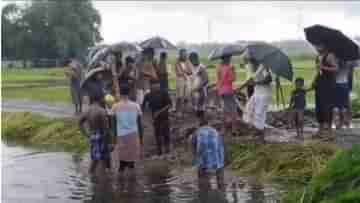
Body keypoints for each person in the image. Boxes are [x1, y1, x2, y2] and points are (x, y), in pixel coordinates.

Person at [111, 83, 143, 177]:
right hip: (134, 135)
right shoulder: (136, 106)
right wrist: (141, 139)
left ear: (120, 94)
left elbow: (113, 126)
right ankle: (132, 185)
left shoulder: (115, 106)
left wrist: (113, 140)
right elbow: (139, 124)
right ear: (129, 93)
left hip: (121, 136)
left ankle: (120, 185)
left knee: (121, 164)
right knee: (132, 163)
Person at [242, 56, 273, 143]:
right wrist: (238, 89)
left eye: (251, 60)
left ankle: (262, 137)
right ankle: (257, 131)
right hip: (257, 93)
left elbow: (269, 79)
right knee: (248, 110)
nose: (250, 63)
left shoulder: (264, 66)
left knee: (259, 114)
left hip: (264, 94)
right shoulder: (252, 68)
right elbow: (249, 81)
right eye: (249, 61)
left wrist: (256, 83)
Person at [79, 93, 111, 174]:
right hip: (102, 135)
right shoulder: (101, 110)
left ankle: (94, 178)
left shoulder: (87, 110)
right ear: (99, 99)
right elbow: (106, 128)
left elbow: (80, 122)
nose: (103, 100)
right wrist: (110, 141)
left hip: (93, 135)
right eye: (103, 98)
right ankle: (104, 177)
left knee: (96, 159)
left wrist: (85, 133)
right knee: (104, 158)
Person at [190, 115, 224, 188]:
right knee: (219, 170)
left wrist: (195, 159)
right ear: (208, 123)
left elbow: (193, 146)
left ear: (199, 125)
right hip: (217, 157)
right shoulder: (215, 131)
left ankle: (204, 189)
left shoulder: (197, 132)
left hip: (203, 157)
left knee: (202, 172)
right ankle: (221, 187)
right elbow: (220, 144)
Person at [311, 45, 338, 137]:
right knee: (319, 107)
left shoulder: (330, 56)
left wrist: (323, 67)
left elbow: (335, 68)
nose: (316, 47)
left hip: (328, 86)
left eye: (318, 45)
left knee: (328, 106)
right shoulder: (318, 57)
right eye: (316, 46)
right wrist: (314, 81)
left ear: (324, 46)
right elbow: (319, 72)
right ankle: (320, 130)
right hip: (319, 85)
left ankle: (330, 131)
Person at [142, 80, 172, 157]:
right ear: (151, 86)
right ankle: (159, 151)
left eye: (157, 85)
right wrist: (147, 117)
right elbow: (143, 107)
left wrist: (159, 112)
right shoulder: (148, 95)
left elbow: (169, 104)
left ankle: (167, 149)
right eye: (154, 85)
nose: (156, 86)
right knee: (157, 134)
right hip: (155, 118)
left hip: (164, 117)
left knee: (166, 133)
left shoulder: (164, 93)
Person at [216, 55, 237, 136]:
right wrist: (233, 71)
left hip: (221, 91)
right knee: (233, 109)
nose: (230, 59)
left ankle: (223, 129)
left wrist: (219, 89)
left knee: (224, 109)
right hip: (228, 90)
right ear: (227, 58)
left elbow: (218, 80)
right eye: (229, 58)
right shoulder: (229, 67)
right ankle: (234, 129)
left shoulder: (219, 67)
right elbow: (232, 79)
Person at [189, 52, 209, 119]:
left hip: (201, 91)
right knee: (196, 108)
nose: (192, 61)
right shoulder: (192, 67)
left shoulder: (201, 68)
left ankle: (202, 122)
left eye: (194, 59)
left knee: (200, 109)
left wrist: (198, 88)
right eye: (191, 60)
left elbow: (206, 80)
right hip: (194, 92)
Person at [333, 60, 351, 129]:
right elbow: (349, 74)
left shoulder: (336, 64)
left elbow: (334, 74)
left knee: (338, 105)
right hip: (345, 84)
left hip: (337, 85)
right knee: (344, 105)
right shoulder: (347, 64)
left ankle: (340, 123)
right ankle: (345, 122)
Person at [175, 49, 193, 117]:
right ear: (180, 54)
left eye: (185, 54)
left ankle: (184, 111)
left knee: (186, 96)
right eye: (183, 54)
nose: (185, 55)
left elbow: (190, 71)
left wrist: (185, 72)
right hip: (180, 80)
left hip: (187, 80)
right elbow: (179, 72)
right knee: (179, 96)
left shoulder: (188, 61)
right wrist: (185, 72)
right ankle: (178, 111)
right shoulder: (177, 62)